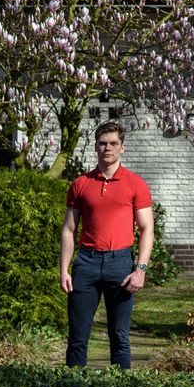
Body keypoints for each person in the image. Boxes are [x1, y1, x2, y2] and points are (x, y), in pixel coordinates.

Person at [60, 121, 154, 369]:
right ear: (95, 146)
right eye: (102, 143)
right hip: (86, 263)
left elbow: (147, 229)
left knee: (120, 337)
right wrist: (64, 270)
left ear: (122, 147)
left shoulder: (136, 184)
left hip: (120, 264)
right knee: (78, 338)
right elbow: (69, 229)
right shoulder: (80, 184)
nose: (107, 148)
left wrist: (140, 270)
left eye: (113, 143)